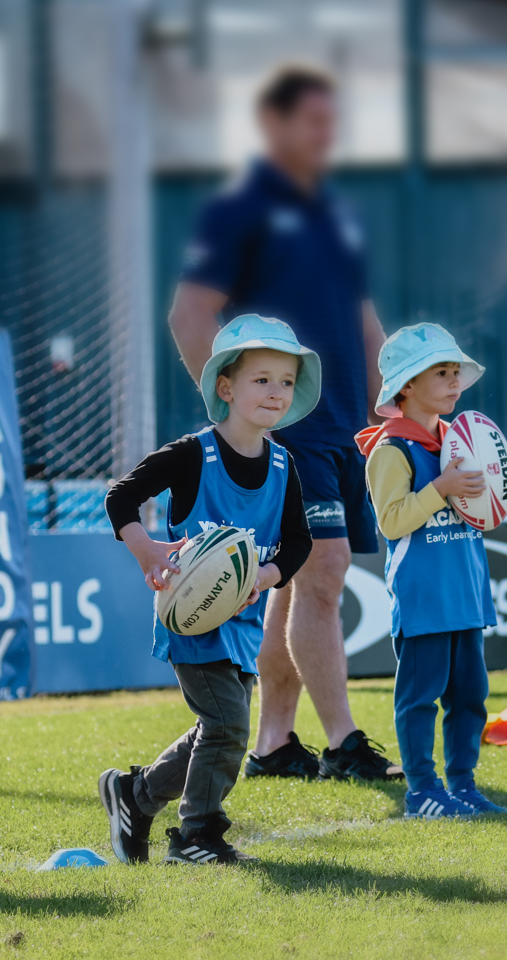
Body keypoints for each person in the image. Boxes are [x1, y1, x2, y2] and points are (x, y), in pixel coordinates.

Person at [168, 64, 400, 783]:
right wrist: (240, 413)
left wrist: (386, 401)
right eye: (314, 121)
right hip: (290, 431)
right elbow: (188, 316)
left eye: (335, 122)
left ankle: (271, 740)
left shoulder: (333, 214)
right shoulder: (240, 211)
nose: (328, 135)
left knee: (298, 582)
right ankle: (343, 740)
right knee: (324, 571)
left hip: (341, 429)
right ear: (273, 126)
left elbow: (362, 319)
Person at [99, 316, 317, 864]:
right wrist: (146, 550)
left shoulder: (285, 464)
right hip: (192, 620)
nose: (275, 392)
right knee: (227, 726)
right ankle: (197, 835)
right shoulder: (193, 454)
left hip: (243, 625)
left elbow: (297, 543)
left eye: (286, 382)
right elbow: (120, 498)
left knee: (217, 731)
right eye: (261, 379)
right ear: (226, 387)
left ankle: (135, 794)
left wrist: (266, 577)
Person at [355, 324, 506, 818]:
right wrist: (441, 485)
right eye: (440, 372)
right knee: (420, 698)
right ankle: (422, 789)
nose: (453, 380)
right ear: (406, 388)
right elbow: (392, 521)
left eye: (455, 371)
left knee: (471, 698)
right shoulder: (390, 450)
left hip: (465, 591)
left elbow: (486, 508)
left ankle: (463, 784)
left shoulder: (462, 440)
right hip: (423, 598)